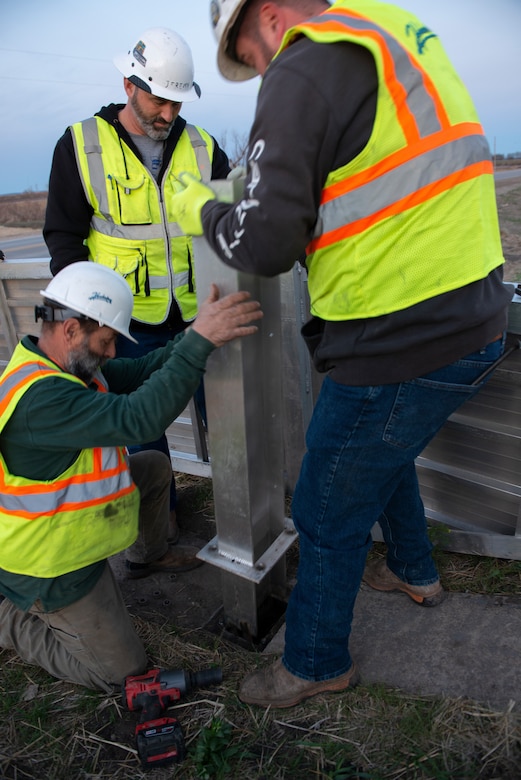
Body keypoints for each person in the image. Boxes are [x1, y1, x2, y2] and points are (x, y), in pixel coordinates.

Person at [171, 0, 513, 707]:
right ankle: (415, 573)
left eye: (248, 52)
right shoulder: (388, 30)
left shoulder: (304, 62)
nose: (260, 68)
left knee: (327, 511)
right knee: (381, 453)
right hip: (470, 315)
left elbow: (262, 243)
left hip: (400, 337)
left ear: (265, 16)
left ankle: (314, 661)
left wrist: (195, 210)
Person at [0, 261, 262, 692]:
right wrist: (198, 344)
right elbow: (140, 420)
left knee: (153, 469)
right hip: (50, 566)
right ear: (70, 330)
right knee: (122, 675)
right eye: (106, 342)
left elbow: (143, 371)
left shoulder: (68, 367)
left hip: (69, 528)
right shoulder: (41, 400)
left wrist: (193, 333)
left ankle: (146, 554)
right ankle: (10, 619)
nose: (113, 353)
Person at [43, 27, 231, 550]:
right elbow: (63, 236)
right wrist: (86, 318)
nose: (167, 114)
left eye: (176, 101)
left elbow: (233, 219)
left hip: (197, 314)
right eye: (157, 98)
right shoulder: (81, 144)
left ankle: (238, 522)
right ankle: (158, 537)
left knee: (226, 416)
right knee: (145, 433)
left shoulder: (201, 145)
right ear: (129, 84)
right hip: (127, 325)